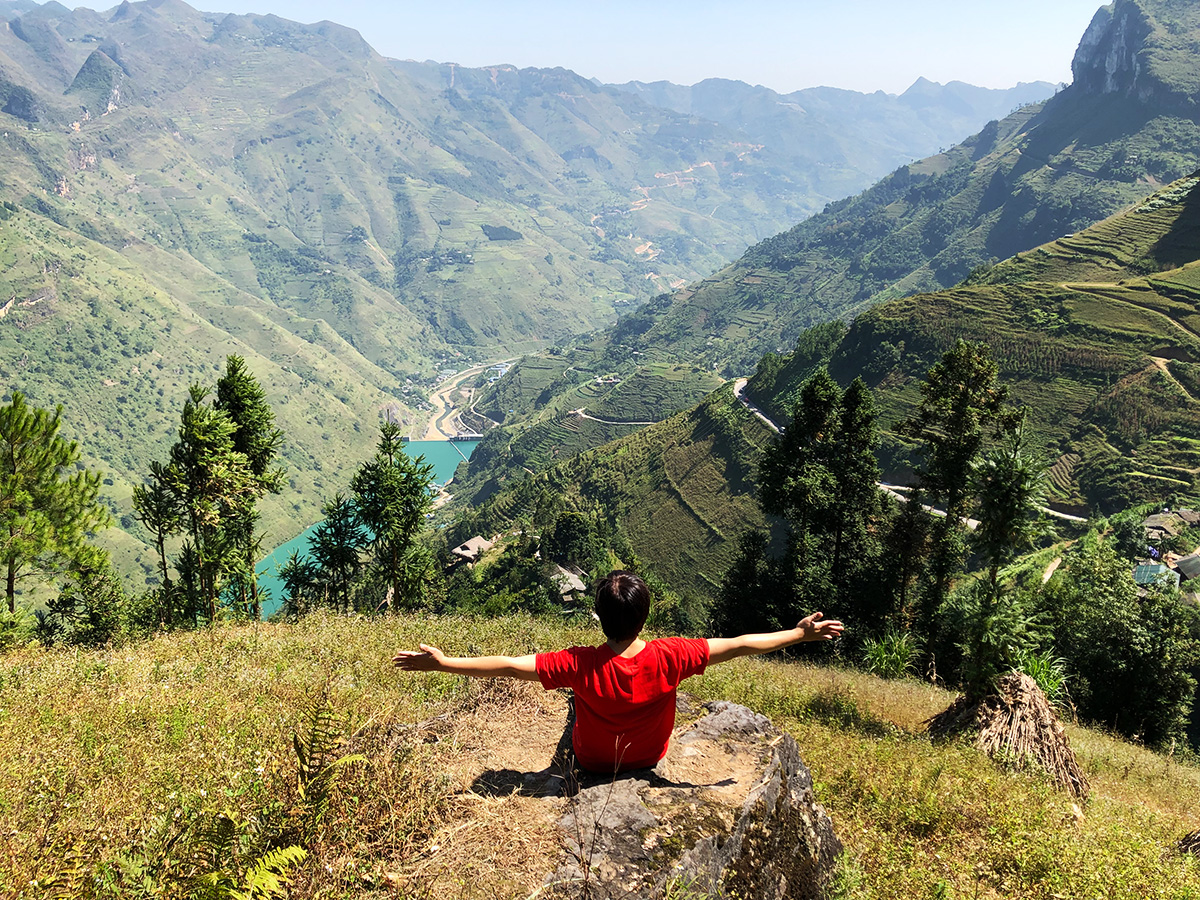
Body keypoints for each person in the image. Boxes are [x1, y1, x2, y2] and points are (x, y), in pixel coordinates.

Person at [392, 570, 844, 774]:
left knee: (577, 702)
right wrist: (797, 634)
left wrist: (444, 662)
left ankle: (579, 709)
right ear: (645, 618)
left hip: (591, 762)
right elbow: (742, 644)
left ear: (599, 617)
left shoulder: (580, 663)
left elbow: (510, 667)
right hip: (651, 757)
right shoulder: (672, 655)